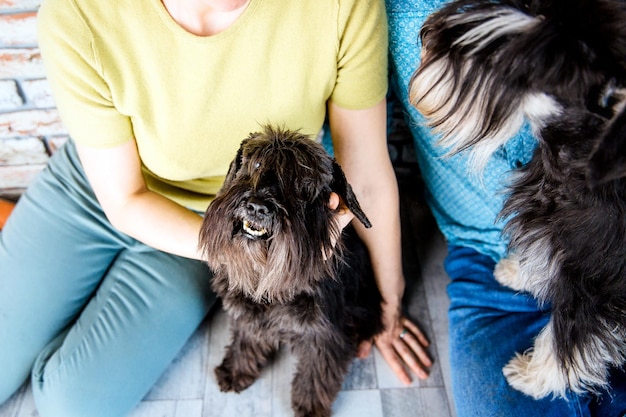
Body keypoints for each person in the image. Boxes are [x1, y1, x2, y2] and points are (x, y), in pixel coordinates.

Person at [0, 0, 433, 416]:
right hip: (100, 189)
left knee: (72, 404)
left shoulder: (343, 5)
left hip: (212, 228)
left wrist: (389, 295)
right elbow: (125, 199)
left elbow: (366, 174)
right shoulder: (78, 14)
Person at [385, 0, 626, 416]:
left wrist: (554, 365)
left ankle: (557, 364)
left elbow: (597, 300)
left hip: (600, 251)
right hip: (487, 249)